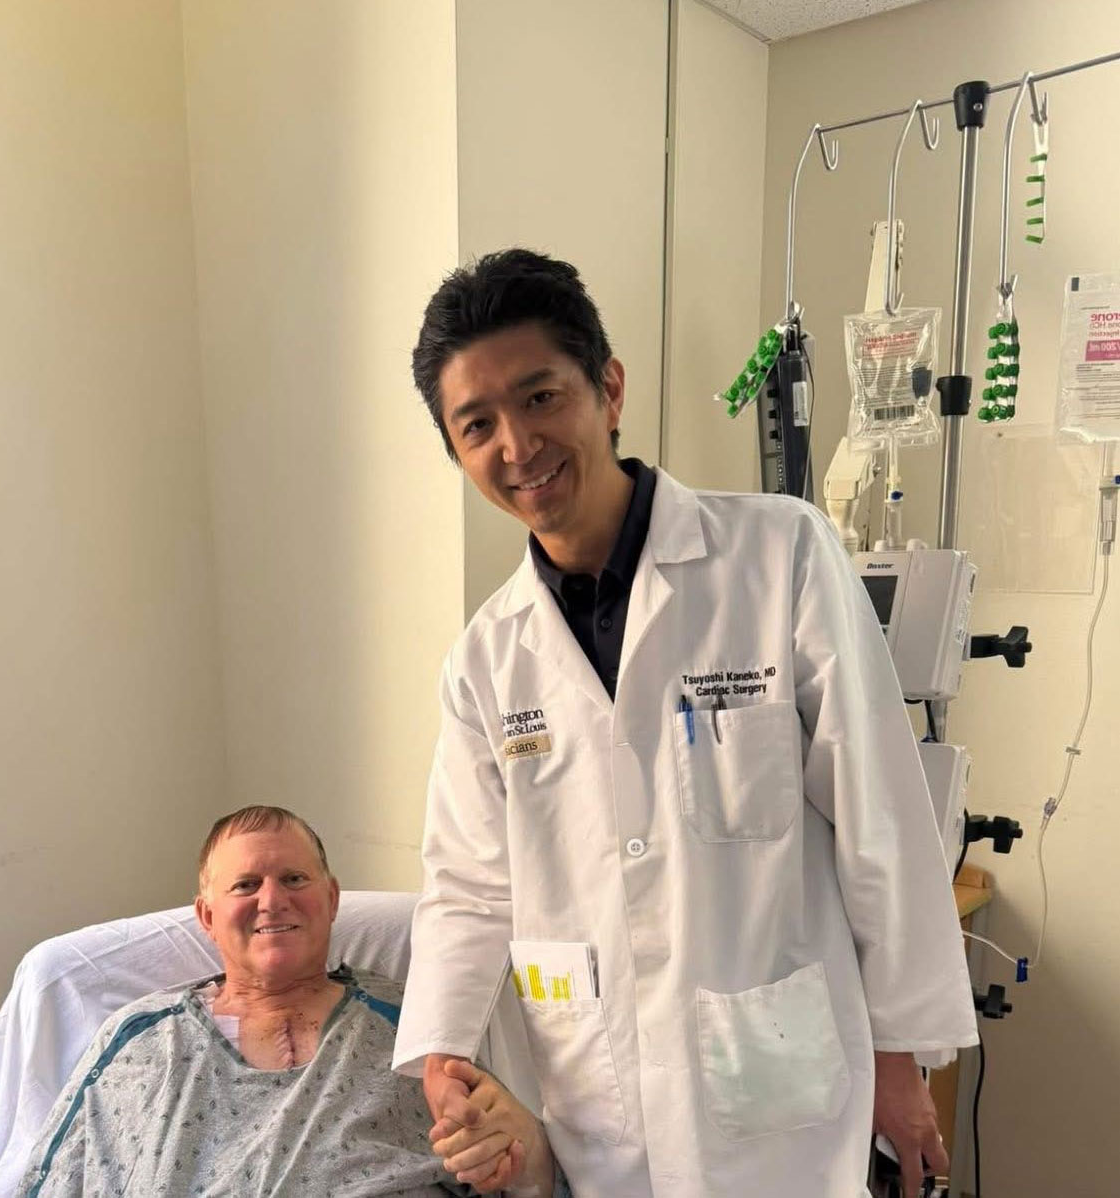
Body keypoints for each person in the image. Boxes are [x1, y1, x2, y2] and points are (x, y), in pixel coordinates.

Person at [391, 249, 979, 1197]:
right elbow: (466, 882)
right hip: (599, 1092)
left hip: (779, 1089)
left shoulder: (777, 553)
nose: (516, 445)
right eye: (477, 424)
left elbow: (880, 813)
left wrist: (902, 1057)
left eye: (540, 398)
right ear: (457, 451)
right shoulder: (486, 658)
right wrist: (441, 1049)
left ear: (607, 388)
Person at [15, 805, 562, 1198]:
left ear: (331, 900)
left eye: (294, 878)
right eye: (245, 885)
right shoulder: (138, 1040)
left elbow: (523, 1174)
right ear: (206, 916)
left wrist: (528, 1154)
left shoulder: (419, 1024)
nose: (272, 900)